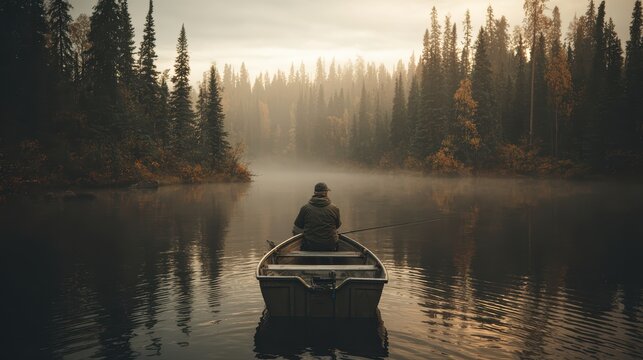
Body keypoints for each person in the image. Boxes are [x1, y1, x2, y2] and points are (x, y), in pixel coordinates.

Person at [293, 182, 341, 251]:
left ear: (315, 193)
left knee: (295, 230)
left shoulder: (305, 208)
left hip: (310, 245)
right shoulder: (334, 208)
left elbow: (298, 225)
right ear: (325, 193)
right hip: (330, 245)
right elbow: (337, 225)